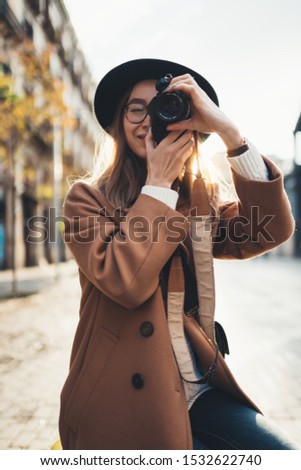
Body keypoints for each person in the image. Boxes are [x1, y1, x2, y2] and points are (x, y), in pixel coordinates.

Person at [59, 58, 297, 450]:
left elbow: (270, 228)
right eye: (137, 108)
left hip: (196, 384)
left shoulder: (199, 199)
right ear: (119, 122)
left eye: (164, 106)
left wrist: (228, 130)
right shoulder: (87, 199)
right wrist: (158, 185)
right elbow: (126, 283)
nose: (149, 119)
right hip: (122, 396)